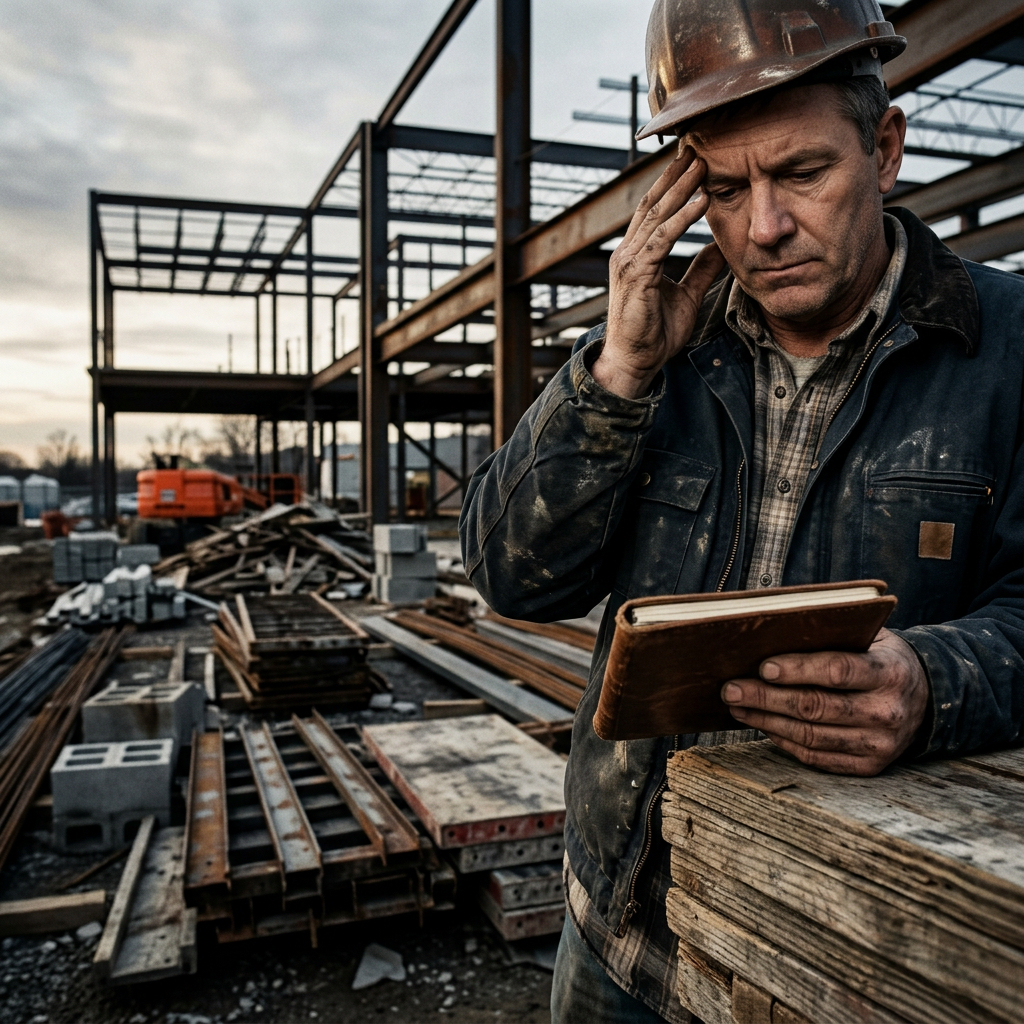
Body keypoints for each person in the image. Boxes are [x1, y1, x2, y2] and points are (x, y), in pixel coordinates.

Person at [460, 0, 1024, 1020]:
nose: (762, 227)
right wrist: (618, 370)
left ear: (885, 149)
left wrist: (933, 681)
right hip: (621, 937)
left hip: (835, 952)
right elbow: (512, 573)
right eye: (723, 188)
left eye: (802, 173)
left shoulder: (1007, 349)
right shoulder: (657, 353)